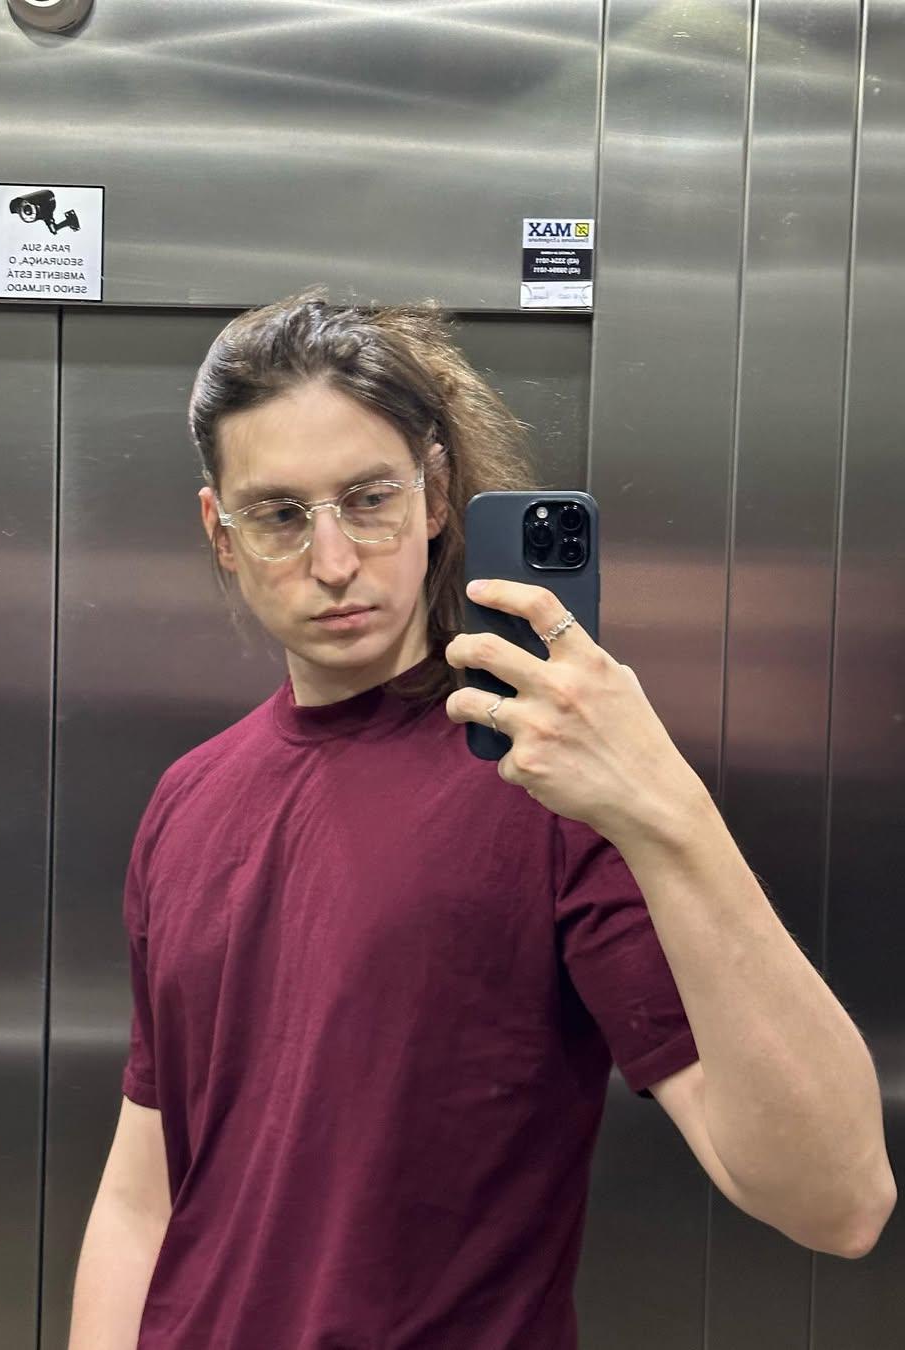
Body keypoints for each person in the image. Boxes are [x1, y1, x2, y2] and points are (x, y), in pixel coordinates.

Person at [67, 291, 895, 1350]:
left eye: (370, 499)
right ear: (219, 535)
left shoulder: (550, 784)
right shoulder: (189, 800)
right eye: (279, 516)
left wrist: (667, 811)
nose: (333, 561)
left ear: (436, 494)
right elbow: (145, 1194)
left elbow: (838, 1201)